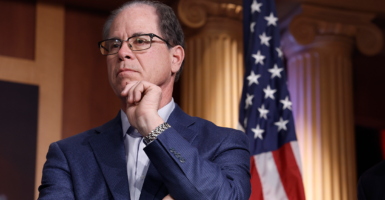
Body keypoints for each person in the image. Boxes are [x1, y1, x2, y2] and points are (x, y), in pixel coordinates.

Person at [38, 1, 251, 199]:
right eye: (114, 45)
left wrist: (151, 124)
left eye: (139, 41)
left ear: (175, 58)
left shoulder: (224, 143)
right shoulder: (68, 155)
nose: (122, 53)